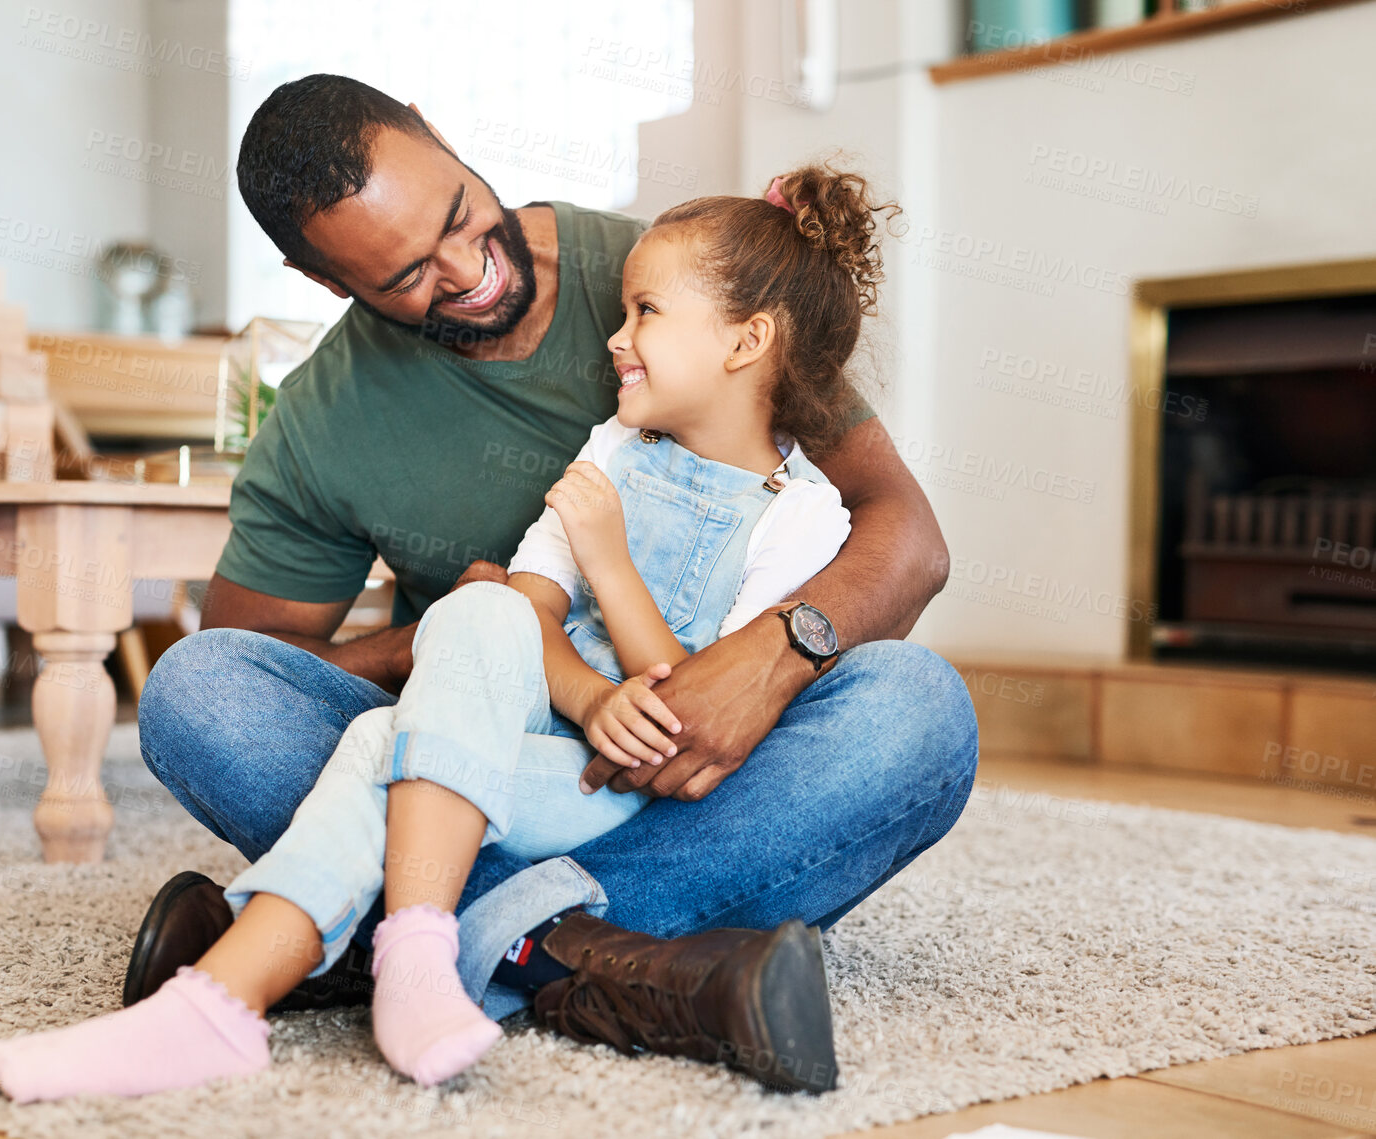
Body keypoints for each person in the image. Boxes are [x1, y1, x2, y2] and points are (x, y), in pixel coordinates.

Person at [122, 75, 978, 1092]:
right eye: (406, 274)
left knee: (917, 714)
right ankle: (602, 966)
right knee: (195, 690)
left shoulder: (674, 275)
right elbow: (257, 661)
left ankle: (347, 931)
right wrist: (431, 636)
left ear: (438, 130)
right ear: (321, 280)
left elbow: (907, 535)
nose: (468, 270)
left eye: (456, 214)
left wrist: (767, 662)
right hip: (476, 761)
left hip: (678, 774)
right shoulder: (321, 420)